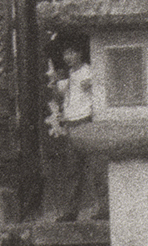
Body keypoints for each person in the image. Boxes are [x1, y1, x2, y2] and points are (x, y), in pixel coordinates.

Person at [45, 42, 106, 222]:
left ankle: (104, 208)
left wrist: (93, 84)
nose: (68, 57)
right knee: (72, 169)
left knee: (95, 167)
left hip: (86, 120)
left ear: (80, 53)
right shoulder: (67, 75)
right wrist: (54, 84)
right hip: (71, 123)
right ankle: (71, 211)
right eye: (66, 54)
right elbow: (60, 96)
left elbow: (101, 89)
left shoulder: (90, 71)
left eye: (71, 53)